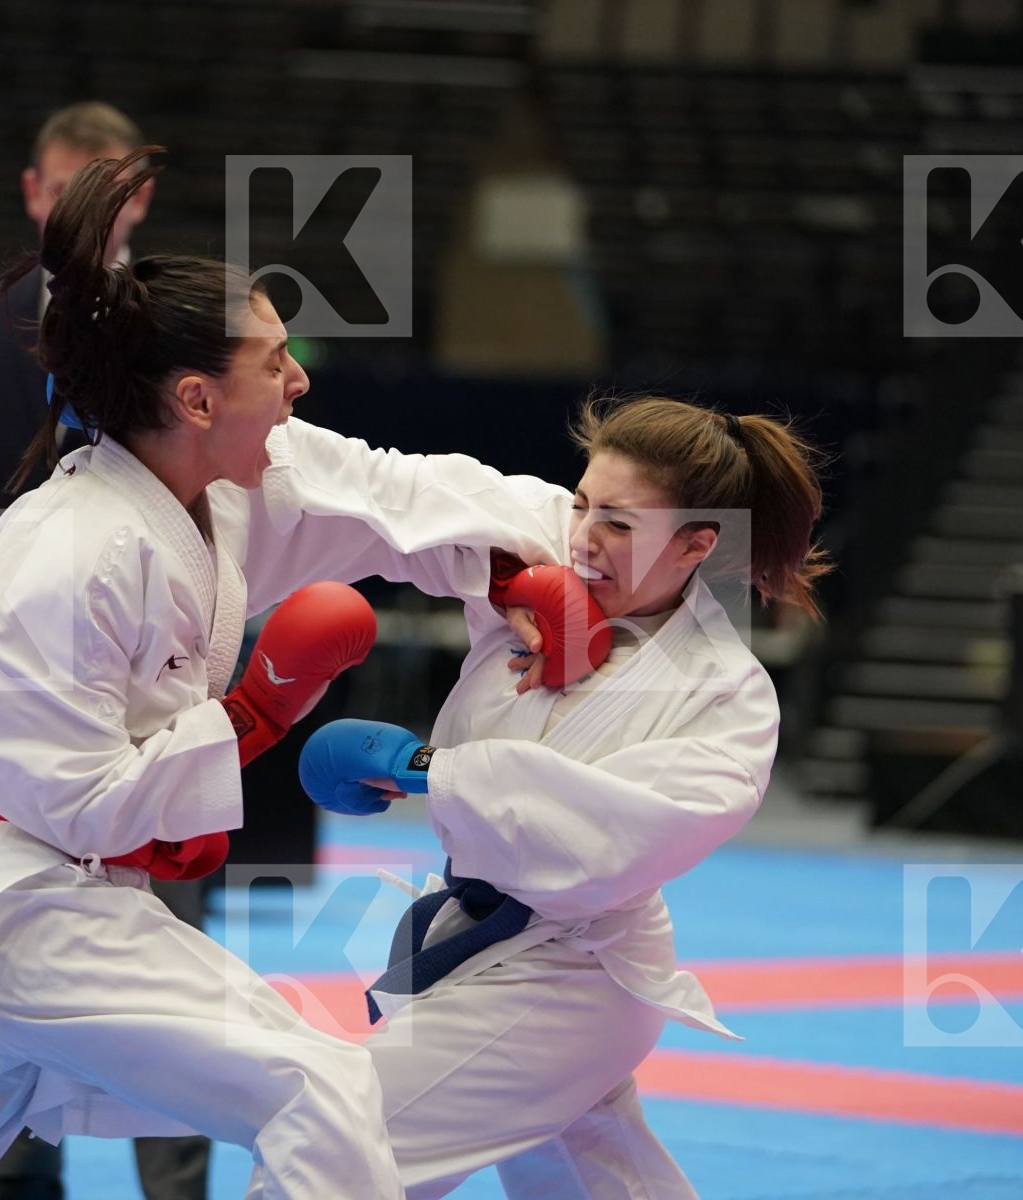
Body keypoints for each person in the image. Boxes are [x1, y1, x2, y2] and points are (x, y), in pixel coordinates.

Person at [0, 148, 569, 1200]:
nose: (299, 381)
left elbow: (391, 496)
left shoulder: (230, 485)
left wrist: (550, 558)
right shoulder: (67, 552)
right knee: (319, 1091)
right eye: (276, 362)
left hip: (54, 914)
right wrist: (251, 714)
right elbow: (72, 799)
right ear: (199, 398)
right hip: (34, 910)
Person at [288, 395, 831, 1197]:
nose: (583, 538)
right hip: (486, 938)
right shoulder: (542, 555)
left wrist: (422, 766)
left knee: (332, 1150)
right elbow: (382, 487)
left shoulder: (726, 694)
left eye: (619, 522)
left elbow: (603, 835)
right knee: (592, 1181)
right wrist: (216, 417)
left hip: (575, 973)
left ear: (696, 545)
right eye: (581, 503)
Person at [0, 102, 203, 1200]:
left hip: (148, 672)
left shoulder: (177, 320)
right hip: (5, 667)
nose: (81, 208)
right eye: (64, 188)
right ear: (32, 192)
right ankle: (16, 1178)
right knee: (7, 916)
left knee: (165, 933)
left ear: (138, 198)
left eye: (104, 189)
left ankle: (175, 1186)